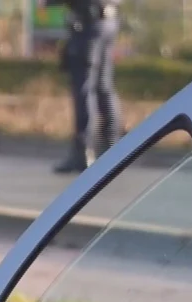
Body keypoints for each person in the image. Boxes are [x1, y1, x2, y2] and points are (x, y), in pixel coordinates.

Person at [47, 0, 122, 174]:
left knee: (84, 87)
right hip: (107, 19)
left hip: (90, 22)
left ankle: (83, 151)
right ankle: (113, 148)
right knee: (103, 86)